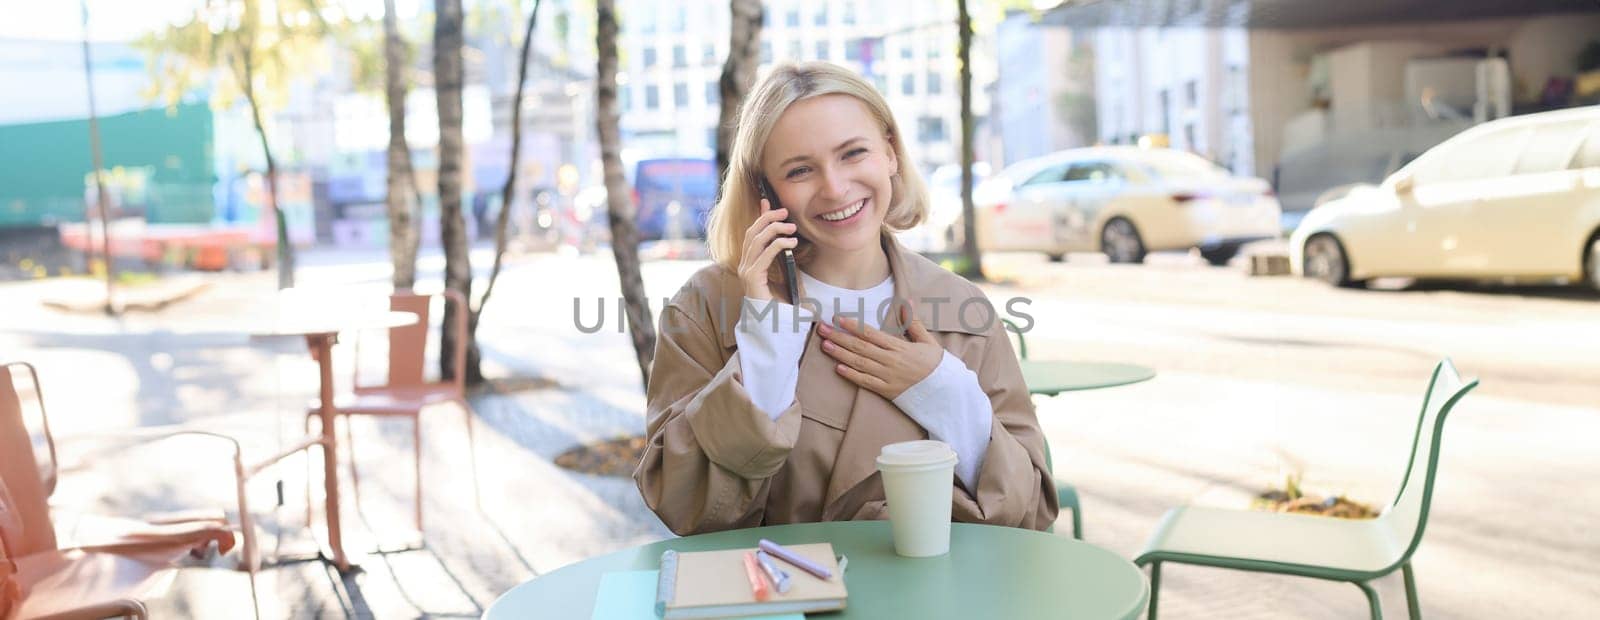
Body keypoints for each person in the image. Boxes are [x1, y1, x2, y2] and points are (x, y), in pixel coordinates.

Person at [634, 61, 1057, 535]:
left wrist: (946, 394)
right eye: (799, 170)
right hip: (774, 601)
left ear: (891, 153)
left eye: (853, 153)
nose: (835, 188)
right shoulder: (705, 308)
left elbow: (1030, 513)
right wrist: (765, 349)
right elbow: (680, 502)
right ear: (765, 191)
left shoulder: (962, 308)